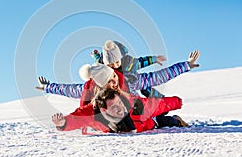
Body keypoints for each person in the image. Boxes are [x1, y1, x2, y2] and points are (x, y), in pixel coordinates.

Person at [36, 50, 200, 107]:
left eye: (112, 78)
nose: (111, 83)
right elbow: (70, 90)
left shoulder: (131, 80)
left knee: (157, 112)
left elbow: (159, 76)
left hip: (134, 111)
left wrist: (186, 65)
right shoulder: (93, 88)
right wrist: (48, 87)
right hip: (113, 118)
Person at [51, 88, 188, 133]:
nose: (120, 109)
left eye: (119, 103)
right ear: (103, 110)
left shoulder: (134, 105)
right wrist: (63, 123)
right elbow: (77, 117)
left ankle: (177, 119)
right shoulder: (94, 115)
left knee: (165, 120)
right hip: (137, 125)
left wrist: (177, 102)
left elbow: (158, 105)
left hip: (150, 122)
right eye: (114, 107)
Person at [90, 40, 166, 97]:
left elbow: (141, 62)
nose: (115, 66)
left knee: (145, 88)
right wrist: (95, 55)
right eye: (111, 64)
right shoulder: (103, 66)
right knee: (133, 98)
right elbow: (98, 62)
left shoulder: (128, 62)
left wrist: (154, 59)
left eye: (117, 62)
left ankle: (160, 99)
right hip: (124, 86)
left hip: (132, 78)